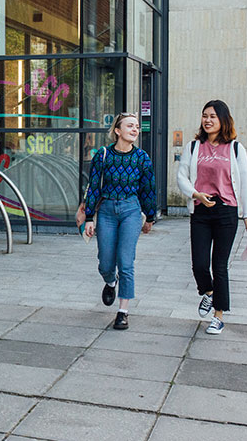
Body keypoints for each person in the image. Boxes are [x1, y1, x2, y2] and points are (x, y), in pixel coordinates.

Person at [177, 100, 247, 335]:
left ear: (223, 120)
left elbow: (246, 181)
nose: (208, 120)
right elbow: (182, 176)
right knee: (199, 264)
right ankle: (210, 294)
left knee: (219, 266)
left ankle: (218, 316)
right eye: (204, 116)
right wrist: (195, 193)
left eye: (212, 116)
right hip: (201, 210)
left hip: (226, 212)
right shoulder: (193, 147)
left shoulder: (235, 149)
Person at [82, 113, 156, 330]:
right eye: (130, 126)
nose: (135, 129)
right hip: (106, 211)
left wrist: (149, 217)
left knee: (126, 262)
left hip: (131, 211)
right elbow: (94, 186)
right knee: (105, 262)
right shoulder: (103, 155)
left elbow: (148, 189)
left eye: (136, 126)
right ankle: (110, 281)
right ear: (117, 130)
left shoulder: (142, 158)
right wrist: (88, 217)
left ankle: (123, 311)